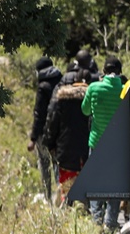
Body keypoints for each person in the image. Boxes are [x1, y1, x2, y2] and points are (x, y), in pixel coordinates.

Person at [82, 56, 127, 227]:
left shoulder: (94, 88)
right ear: (121, 72)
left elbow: (85, 111)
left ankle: (96, 222)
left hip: (96, 143)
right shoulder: (125, 90)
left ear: (104, 71)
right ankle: (110, 223)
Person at [42, 67, 91, 200]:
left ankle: (67, 212)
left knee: (66, 187)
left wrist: (50, 144)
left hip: (65, 150)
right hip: (84, 151)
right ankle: (82, 212)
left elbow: (53, 124)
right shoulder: (90, 99)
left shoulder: (62, 100)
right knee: (83, 189)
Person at [28, 56, 63, 201]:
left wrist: (33, 137)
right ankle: (61, 197)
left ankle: (48, 197)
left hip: (44, 133)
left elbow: (39, 114)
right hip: (60, 132)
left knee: (44, 163)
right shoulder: (62, 81)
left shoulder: (43, 87)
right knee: (58, 165)